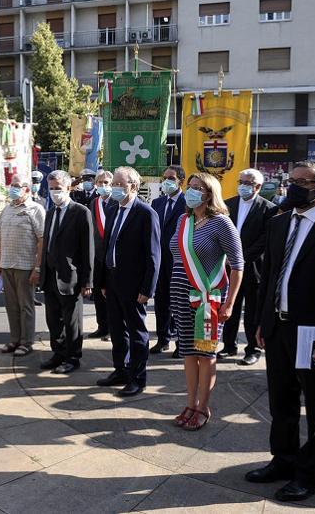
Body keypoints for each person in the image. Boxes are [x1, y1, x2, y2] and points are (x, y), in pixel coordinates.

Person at [247, 161, 315, 501]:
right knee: (281, 401)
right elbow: (269, 279)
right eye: (289, 180)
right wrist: (262, 323)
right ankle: (283, 459)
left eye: (301, 182)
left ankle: (309, 474)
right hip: (279, 328)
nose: (292, 186)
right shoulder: (279, 224)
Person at [171, 173, 243, 430]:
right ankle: (190, 403)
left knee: (206, 353)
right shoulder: (184, 220)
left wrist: (231, 303)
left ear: (209, 193)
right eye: (188, 187)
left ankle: (203, 407)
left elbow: (237, 265)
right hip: (180, 294)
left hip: (207, 298)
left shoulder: (221, 223)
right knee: (188, 352)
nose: (190, 191)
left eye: (197, 188)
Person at [96, 167, 161, 396]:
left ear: (133, 186)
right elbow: (108, 246)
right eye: (113, 184)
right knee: (116, 329)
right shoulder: (113, 208)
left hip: (134, 285)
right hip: (112, 281)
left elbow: (153, 255)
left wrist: (147, 288)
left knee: (136, 332)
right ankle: (120, 370)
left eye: (118, 185)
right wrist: (103, 280)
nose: (113, 188)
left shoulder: (145, 213)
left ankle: (137, 378)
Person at [218, 168, 277, 365]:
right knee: (229, 306)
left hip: (253, 268)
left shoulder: (269, 209)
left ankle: (253, 349)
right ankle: (229, 345)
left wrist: (241, 258)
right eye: (241, 181)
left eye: (247, 183)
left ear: (258, 186)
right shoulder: (229, 204)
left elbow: (265, 240)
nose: (243, 185)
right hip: (229, 267)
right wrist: (227, 256)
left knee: (253, 310)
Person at [39, 170, 94, 374]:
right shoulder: (51, 213)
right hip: (50, 274)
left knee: (72, 321)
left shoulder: (80, 212)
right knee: (53, 319)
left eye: (58, 189)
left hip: (70, 276)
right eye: (52, 189)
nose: (55, 193)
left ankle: (73, 357)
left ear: (68, 188)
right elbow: (46, 243)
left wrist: (87, 282)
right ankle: (58, 353)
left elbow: (88, 248)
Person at [0, 174, 45, 356]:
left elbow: (42, 240)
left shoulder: (36, 209)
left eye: (17, 185)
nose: (13, 188)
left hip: (25, 266)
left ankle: (26, 342)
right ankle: (14, 339)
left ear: (26, 189)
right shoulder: (6, 210)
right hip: (7, 264)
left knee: (26, 305)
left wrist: (37, 267)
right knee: (11, 305)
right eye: (12, 185)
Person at [151, 165, 186, 356]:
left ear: (180, 180)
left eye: (171, 178)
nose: (167, 181)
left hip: (179, 262)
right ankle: (163, 339)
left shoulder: (187, 202)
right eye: (165, 178)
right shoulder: (157, 203)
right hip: (160, 261)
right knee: (161, 302)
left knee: (180, 303)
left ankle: (182, 343)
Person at [86, 170, 115, 340]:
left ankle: (113, 328)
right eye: (100, 182)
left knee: (111, 294)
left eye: (106, 183)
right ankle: (102, 326)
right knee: (98, 293)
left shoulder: (116, 203)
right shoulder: (93, 203)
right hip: (97, 255)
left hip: (112, 255)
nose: (103, 186)